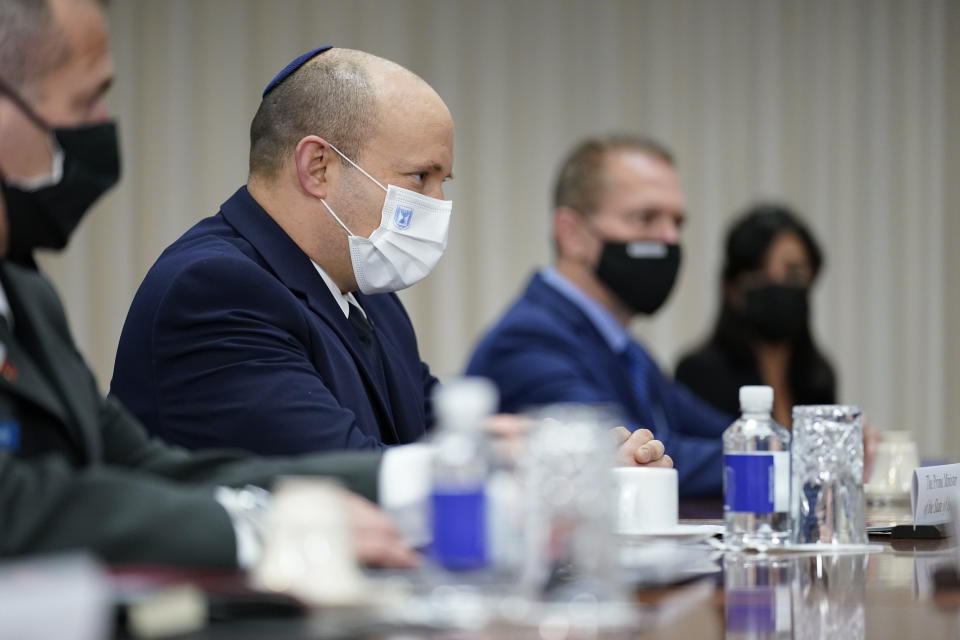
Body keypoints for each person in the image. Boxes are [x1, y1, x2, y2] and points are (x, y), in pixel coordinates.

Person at [0, 0, 419, 570]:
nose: (104, 124)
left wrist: (424, 475)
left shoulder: (25, 294)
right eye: (85, 99)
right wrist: (259, 532)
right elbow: (18, 505)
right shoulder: (214, 286)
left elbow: (141, 465)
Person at [110, 46, 450, 453]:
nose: (438, 202)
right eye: (420, 177)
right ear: (317, 167)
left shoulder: (371, 298)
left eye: (445, 180)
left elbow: (442, 430)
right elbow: (338, 472)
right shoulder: (215, 293)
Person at [467, 135, 729, 497]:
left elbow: (722, 432)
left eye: (677, 223)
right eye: (645, 218)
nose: (669, 238)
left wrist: (780, 445)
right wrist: (775, 459)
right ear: (572, 234)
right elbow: (634, 456)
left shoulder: (625, 347)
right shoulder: (528, 340)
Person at [675, 204, 836, 426]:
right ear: (732, 288)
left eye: (793, 272)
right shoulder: (700, 373)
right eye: (760, 272)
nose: (778, 284)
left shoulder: (819, 376)